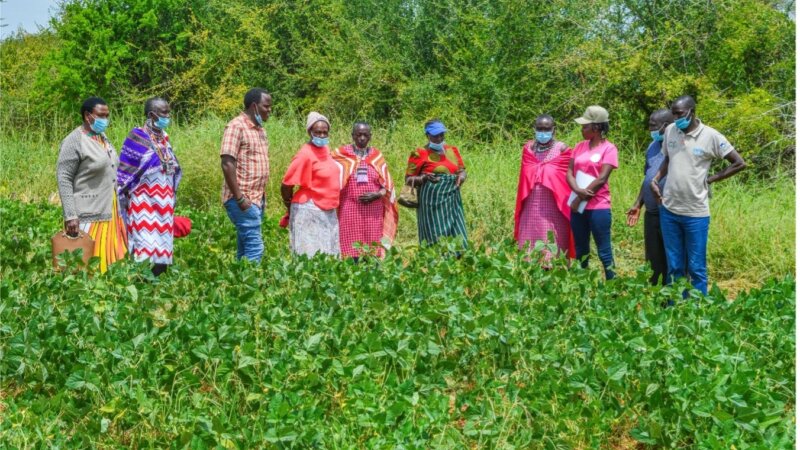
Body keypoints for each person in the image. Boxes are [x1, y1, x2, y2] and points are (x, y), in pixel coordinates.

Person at [650, 95, 746, 295]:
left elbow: (739, 163)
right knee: (674, 266)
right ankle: (675, 306)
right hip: (669, 210)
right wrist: (656, 178)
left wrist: (710, 179)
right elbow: (668, 159)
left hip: (696, 213)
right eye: (674, 114)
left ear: (691, 112)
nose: (676, 118)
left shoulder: (711, 136)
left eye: (680, 114)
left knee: (696, 268)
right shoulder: (670, 131)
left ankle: (697, 312)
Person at [56, 96, 128, 273]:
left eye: (107, 115)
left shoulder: (102, 138)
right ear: (88, 116)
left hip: (109, 210)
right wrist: (70, 215)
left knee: (110, 260)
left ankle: (109, 294)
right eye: (101, 115)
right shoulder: (75, 140)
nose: (105, 119)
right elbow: (63, 177)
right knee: (88, 262)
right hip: (88, 212)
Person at [117, 97, 182, 277]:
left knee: (162, 248)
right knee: (144, 247)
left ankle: (157, 289)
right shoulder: (137, 137)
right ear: (152, 115)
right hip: (143, 204)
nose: (168, 116)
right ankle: (141, 289)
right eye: (164, 113)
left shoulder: (164, 139)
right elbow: (125, 173)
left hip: (164, 205)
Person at [220, 87, 272, 263]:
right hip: (242, 198)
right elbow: (227, 163)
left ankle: (239, 285)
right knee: (255, 246)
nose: (269, 110)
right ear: (254, 106)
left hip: (257, 198)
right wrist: (240, 197)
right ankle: (251, 285)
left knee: (244, 246)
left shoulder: (260, 130)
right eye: (266, 106)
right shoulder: (236, 127)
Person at [331, 122, 398, 259]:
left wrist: (377, 194)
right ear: (353, 136)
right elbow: (330, 178)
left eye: (365, 135)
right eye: (358, 135)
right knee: (349, 244)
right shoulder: (341, 155)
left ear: (370, 137)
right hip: (349, 209)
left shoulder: (376, 156)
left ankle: (372, 272)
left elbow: (387, 186)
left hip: (373, 211)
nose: (362, 138)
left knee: (372, 244)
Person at [514, 114, 574, 264]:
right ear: (534, 129)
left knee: (553, 245)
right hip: (531, 205)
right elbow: (524, 179)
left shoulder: (563, 149)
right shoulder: (529, 149)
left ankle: (555, 270)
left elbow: (568, 179)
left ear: (554, 130)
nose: (542, 132)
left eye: (546, 129)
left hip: (555, 206)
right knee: (529, 250)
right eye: (539, 129)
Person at [566, 105, 618, 280]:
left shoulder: (609, 149)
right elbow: (569, 172)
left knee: (604, 250)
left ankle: (613, 287)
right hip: (577, 207)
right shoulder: (579, 146)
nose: (582, 129)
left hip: (598, 207)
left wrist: (579, 198)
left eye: (585, 126)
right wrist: (577, 191)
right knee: (581, 249)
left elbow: (602, 178)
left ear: (596, 127)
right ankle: (582, 283)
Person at [281, 112, 343, 257]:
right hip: (309, 209)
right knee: (310, 254)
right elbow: (286, 184)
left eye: (325, 133)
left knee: (328, 253)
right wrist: (288, 204)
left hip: (327, 209)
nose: (322, 136)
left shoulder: (325, 149)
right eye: (317, 132)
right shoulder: (305, 154)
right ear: (310, 132)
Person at [625, 108, 673, 285]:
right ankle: (656, 298)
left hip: (670, 212)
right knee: (653, 258)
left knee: (672, 257)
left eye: (654, 126)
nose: (650, 129)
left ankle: (673, 300)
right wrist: (638, 204)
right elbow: (648, 178)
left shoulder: (677, 146)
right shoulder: (652, 146)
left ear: (666, 126)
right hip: (652, 212)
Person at [404, 119, 468, 247]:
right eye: (435, 135)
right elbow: (408, 179)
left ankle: (457, 263)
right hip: (431, 204)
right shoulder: (419, 153)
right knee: (435, 235)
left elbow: (462, 170)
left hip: (452, 201)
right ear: (427, 135)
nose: (439, 138)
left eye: (442, 135)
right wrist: (424, 178)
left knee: (458, 235)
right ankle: (435, 264)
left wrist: (461, 177)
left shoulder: (452, 150)